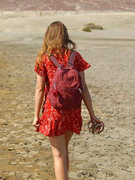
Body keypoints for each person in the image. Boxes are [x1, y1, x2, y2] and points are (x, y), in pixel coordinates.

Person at [32, 21, 103, 180]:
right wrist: (92, 114)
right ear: (65, 35)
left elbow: (40, 89)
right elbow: (83, 87)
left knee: (58, 155)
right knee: (64, 150)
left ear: (48, 36)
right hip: (73, 109)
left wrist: (36, 116)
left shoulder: (43, 57)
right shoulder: (75, 56)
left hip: (54, 112)